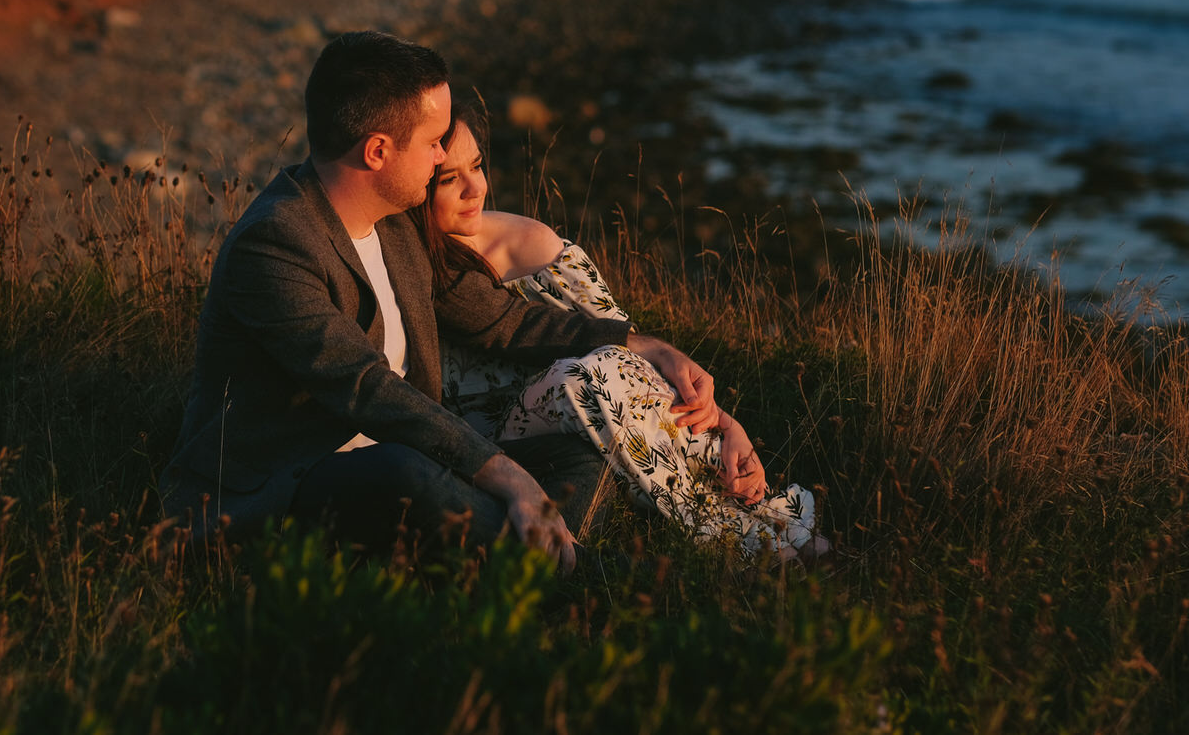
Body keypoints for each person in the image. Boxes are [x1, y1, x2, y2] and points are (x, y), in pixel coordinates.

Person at [160, 31, 722, 573]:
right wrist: (505, 475)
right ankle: (601, 579)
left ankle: (525, 566)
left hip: (404, 464)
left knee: (575, 455)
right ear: (378, 150)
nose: (440, 159)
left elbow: (503, 321)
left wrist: (643, 344)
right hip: (279, 487)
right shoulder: (276, 243)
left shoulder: (396, 223)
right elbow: (365, 388)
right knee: (400, 472)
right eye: (433, 144)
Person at [409, 95, 828, 562]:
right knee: (584, 377)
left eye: (478, 165)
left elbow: (630, 361)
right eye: (449, 179)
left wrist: (728, 424)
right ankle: (736, 541)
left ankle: (749, 493)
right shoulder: (417, 263)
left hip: (580, 412)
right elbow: (533, 335)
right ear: (416, 183)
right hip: (492, 438)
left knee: (603, 368)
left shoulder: (532, 246)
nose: (475, 188)